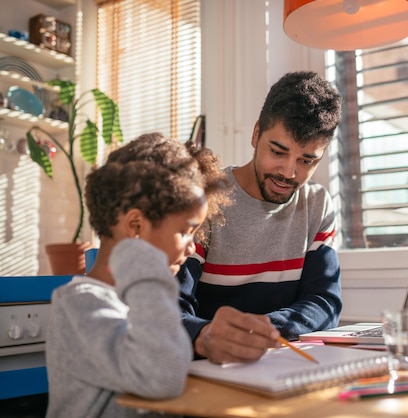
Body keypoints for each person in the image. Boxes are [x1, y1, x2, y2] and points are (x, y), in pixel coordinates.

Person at [45, 133, 279, 418]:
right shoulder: (79, 306)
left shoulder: (142, 298)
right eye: (185, 230)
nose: (192, 247)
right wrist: (143, 263)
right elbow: (162, 375)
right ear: (136, 226)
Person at [179, 71, 343, 363]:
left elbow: (325, 301)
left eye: (307, 161)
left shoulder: (317, 204)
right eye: (278, 152)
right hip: (209, 366)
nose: (289, 173)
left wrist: (266, 329)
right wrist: (207, 336)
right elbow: (171, 306)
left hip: (277, 363)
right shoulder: (205, 200)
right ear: (256, 135)